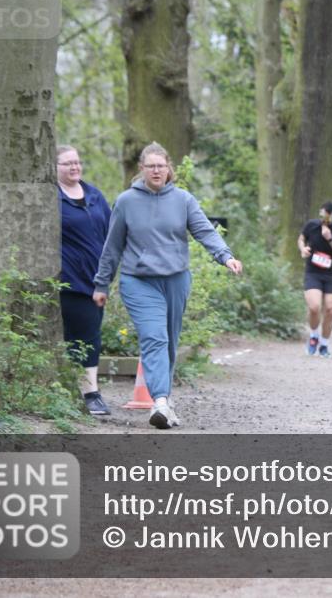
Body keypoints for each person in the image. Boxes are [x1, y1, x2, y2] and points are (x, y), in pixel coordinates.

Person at [92, 142, 243, 430]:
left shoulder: (183, 199)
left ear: (169, 168)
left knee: (170, 342)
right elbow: (112, 246)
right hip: (138, 280)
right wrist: (102, 284)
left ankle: (165, 400)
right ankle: (159, 401)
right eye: (151, 166)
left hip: (175, 279)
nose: (156, 171)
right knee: (154, 338)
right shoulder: (126, 201)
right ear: (142, 170)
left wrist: (226, 256)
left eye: (161, 166)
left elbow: (203, 230)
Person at [57, 145, 112, 415]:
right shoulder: (52, 197)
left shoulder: (93, 195)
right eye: (67, 163)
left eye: (77, 162)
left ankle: (85, 391)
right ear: (55, 168)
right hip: (69, 279)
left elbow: (112, 231)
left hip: (96, 279)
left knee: (91, 334)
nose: (74, 167)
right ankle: (90, 393)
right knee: (82, 335)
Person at [298, 201, 332, 357]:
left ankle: (324, 344)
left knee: (330, 310)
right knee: (314, 307)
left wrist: (330, 238)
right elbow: (301, 239)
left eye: (327, 215)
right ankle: (313, 336)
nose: (323, 217)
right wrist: (303, 249)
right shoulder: (311, 225)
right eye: (321, 214)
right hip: (313, 272)